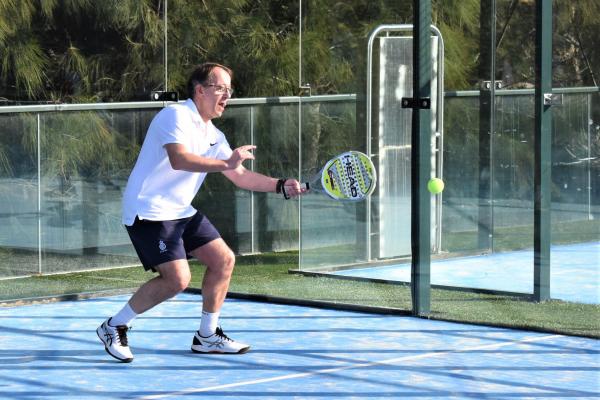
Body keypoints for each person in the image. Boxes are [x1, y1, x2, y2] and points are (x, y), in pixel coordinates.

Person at [97, 62, 306, 362]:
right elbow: (179, 159)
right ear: (199, 90)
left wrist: (282, 185)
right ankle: (115, 325)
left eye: (229, 91)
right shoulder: (175, 115)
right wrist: (226, 164)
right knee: (177, 280)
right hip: (150, 209)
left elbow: (240, 176)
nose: (226, 96)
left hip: (180, 209)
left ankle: (207, 336)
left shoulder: (214, 134)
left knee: (223, 260)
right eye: (220, 88)